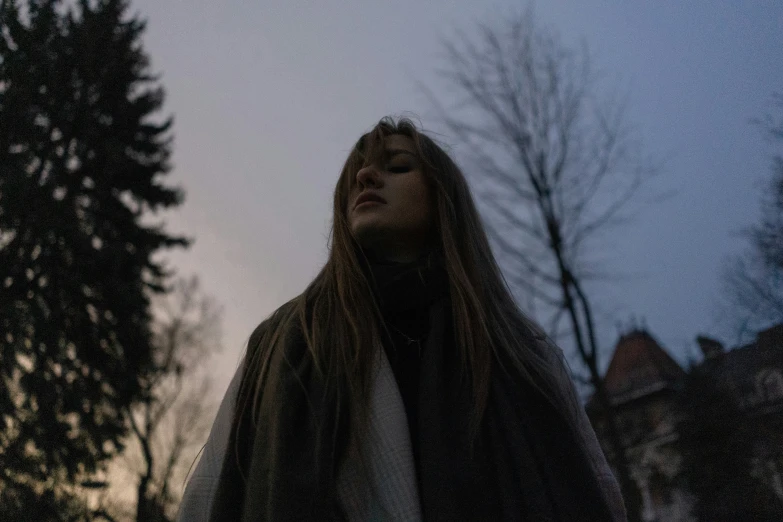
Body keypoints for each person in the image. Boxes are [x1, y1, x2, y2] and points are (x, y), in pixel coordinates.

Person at [177, 117, 627, 521]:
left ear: (443, 200)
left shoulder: (519, 350)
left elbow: (599, 491)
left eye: (397, 167)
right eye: (360, 173)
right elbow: (209, 492)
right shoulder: (282, 343)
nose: (366, 176)